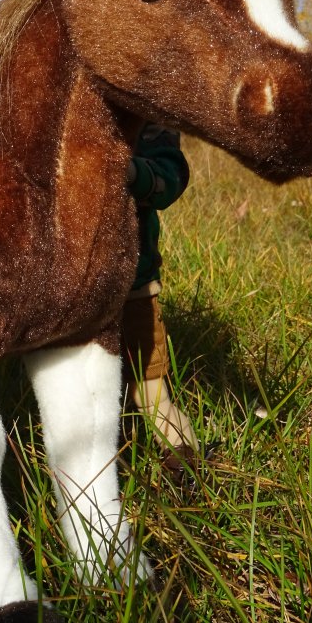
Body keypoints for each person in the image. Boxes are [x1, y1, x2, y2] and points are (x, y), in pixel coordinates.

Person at [122, 123, 199, 468]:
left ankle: (184, 464)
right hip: (69, 290)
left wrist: (129, 171)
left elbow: (169, 179)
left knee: (151, 393)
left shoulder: (152, 118)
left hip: (133, 286)